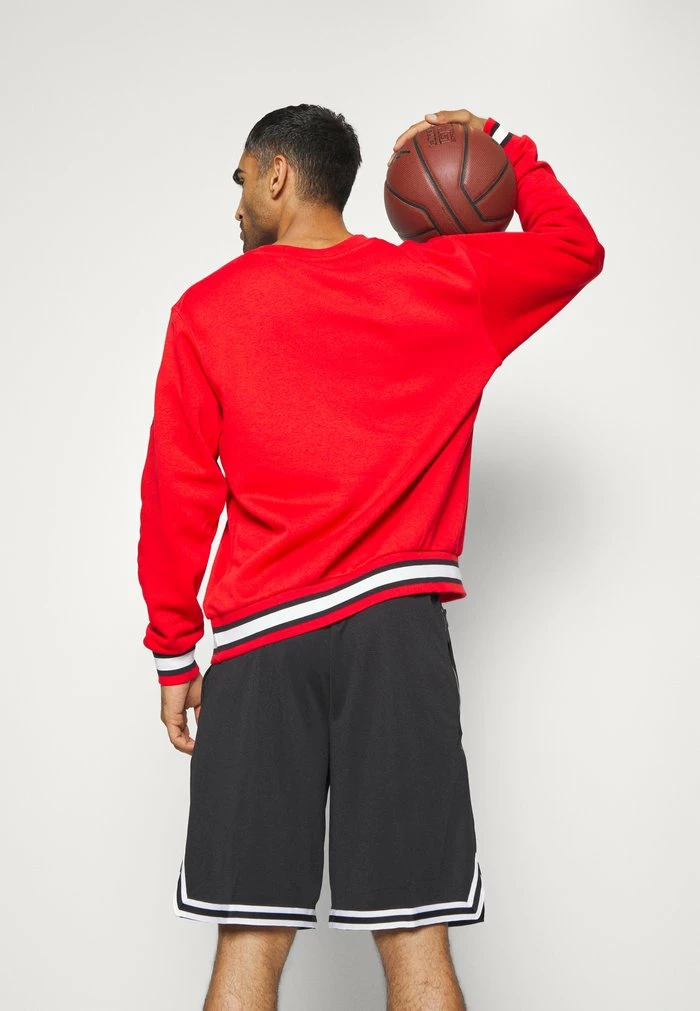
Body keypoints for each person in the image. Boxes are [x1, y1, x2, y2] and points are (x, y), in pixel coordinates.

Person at [137, 103, 605, 1010]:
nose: (236, 203)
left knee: (248, 943)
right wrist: (505, 148)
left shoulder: (206, 310)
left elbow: (176, 490)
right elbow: (573, 249)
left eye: (241, 180)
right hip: (395, 634)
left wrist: (172, 649)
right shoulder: (444, 284)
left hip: (260, 643)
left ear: (278, 175)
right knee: (417, 940)